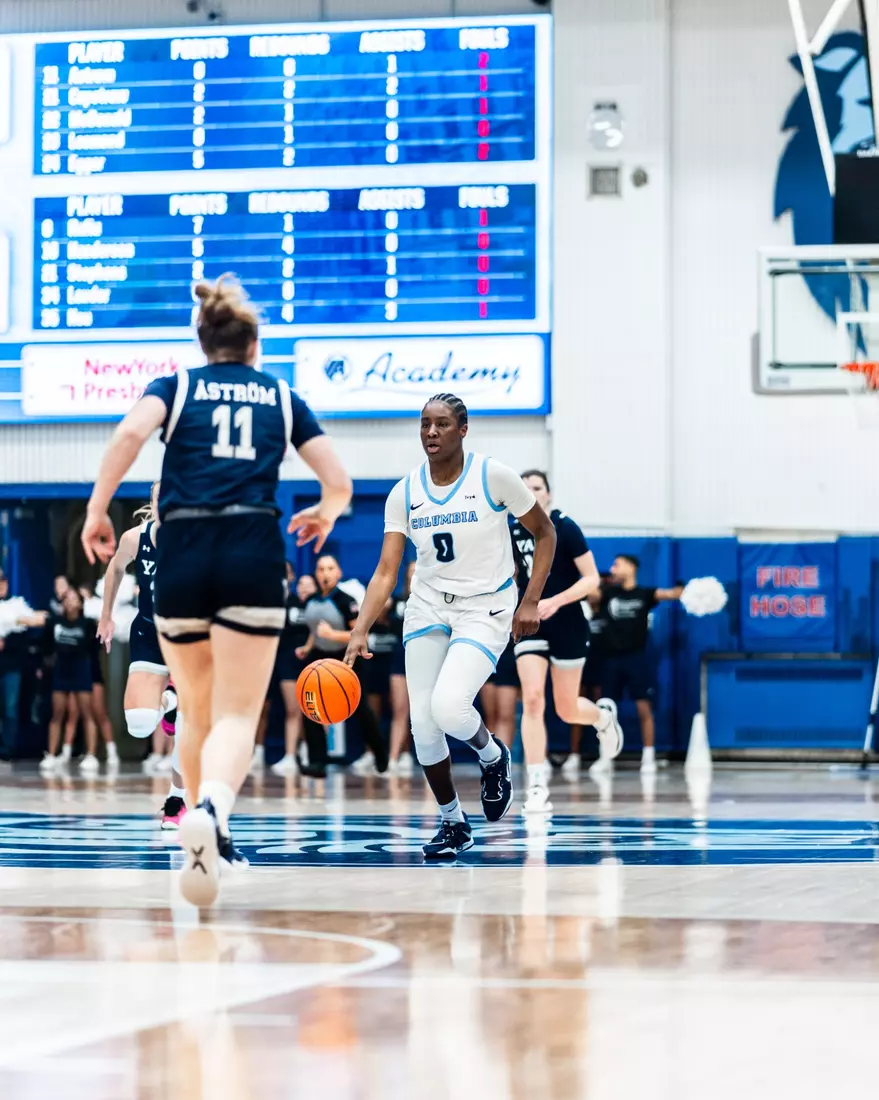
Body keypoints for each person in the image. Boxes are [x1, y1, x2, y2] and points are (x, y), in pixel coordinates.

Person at [81, 274, 352, 907]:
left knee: (195, 708)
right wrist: (325, 513)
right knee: (236, 712)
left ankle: (201, 829)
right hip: (250, 551)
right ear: (255, 347)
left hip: (182, 552)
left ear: (203, 344)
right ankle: (215, 814)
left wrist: (98, 509)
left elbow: (127, 436)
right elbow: (337, 482)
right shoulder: (282, 397)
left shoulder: (175, 388)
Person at [346, 394, 579, 859]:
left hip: (487, 605)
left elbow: (545, 533)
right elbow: (386, 571)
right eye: (425, 425)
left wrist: (530, 599)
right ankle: (453, 822)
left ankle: (493, 756)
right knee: (424, 726)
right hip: (429, 604)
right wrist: (359, 628)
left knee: (451, 707)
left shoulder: (492, 475)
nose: (431, 433)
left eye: (442, 424)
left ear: (463, 429)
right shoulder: (405, 492)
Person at [511, 471, 623, 813]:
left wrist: (556, 601)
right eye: (524, 489)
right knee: (531, 700)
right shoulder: (510, 530)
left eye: (537, 488)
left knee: (566, 708)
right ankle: (536, 784)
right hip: (530, 624)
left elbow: (591, 579)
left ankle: (603, 718)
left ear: (549, 494)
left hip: (568, 622)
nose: (530, 493)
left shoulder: (565, 526)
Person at [98, 482, 184, 827]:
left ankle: (176, 799)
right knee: (139, 725)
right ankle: (169, 703)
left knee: (189, 731)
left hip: (185, 637)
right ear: (153, 502)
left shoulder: (197, 539)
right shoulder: (135, 538)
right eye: (160, 497)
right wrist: (106, 615)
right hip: (148, 632)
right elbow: (115, 569)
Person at [297, 554, 390, 778]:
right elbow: (315, 629)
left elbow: (359, 635)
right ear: (316, 574)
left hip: (346, 659)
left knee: (360, 709)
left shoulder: (346, 601)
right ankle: (318, 762)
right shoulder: (311, 601)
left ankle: (379, 753)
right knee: (310, 708)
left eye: (330, 569)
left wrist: (331, 635)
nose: (325, 573)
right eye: (321, 569)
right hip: (320, 660)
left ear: (338, 573)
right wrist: (308, 647)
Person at [592, 554, 684, 776]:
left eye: (617, 564)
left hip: (636, 659)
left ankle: (649, 757)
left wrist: (686, 589)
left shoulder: (645, 594)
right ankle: (605, 757)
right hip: (610, 659)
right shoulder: (607, 593)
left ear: (632, 568)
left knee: (644, 708)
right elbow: (588, 594)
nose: (613, 568)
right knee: (605, 711)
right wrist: (598, 580)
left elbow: (672, 594)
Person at [252, 565, 316, 776]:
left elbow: (317, 630)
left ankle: (299, 754)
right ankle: (258, 752)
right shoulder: (266, 601)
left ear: (292, 576)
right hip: (267, 660)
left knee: (298, 708)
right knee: (261, 709)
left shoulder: (306, 604)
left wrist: (307, 647)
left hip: (294, 660)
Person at [39, 586, 100, 773]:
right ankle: (51, 754)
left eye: (74, 598)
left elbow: (95, 647)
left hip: (81, 669)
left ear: (81, 603)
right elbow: (47, 645)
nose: (70, 601)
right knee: (57, 713)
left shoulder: (88, 623)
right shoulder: (54, 622)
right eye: (67, 598)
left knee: (86, 712)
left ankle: (91, 754)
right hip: (61, 670)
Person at [79, 583, 119, 772]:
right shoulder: (62, 622)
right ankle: (90, 753)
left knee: (100, 712)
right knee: (86, 714)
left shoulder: (89, 624)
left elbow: (101, 634)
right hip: (75, 674)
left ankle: (112, 751)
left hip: (93, 673)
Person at [386, 560, 415, 775]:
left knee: (424, 713)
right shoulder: (397, 600)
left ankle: (424, 759)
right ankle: (393, 759)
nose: (414, 575)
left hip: (425, 658)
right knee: (399, 710)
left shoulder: (435, 600)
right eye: (411, 572)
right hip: (399, 657)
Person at [479, 639, 519, 750]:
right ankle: (492, 760)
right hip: (486, 647)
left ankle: (502, 761)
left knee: (505, 716)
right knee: (491, 716)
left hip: (509, 647)